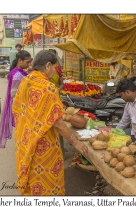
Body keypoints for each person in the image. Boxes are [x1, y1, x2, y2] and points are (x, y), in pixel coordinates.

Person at [12, 50, 88, 195]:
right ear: (47, 66)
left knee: (32, 180)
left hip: (25, 140)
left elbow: (16, 109)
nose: (56, 70)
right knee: (46, 182)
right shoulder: (48, 87)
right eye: (55, 67)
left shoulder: (26, 81)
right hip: (43, 145)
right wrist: (75, 142)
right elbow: (58, 123)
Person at [0, 50, 32, 148]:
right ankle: (23, 146)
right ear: (20, 60)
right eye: (27, 62)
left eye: (30, 62)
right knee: (22, 127)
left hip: (20, 104)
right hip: (19, 105)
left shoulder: (19, 71)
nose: (29, 64)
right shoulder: (17, 74)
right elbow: (14, 93)